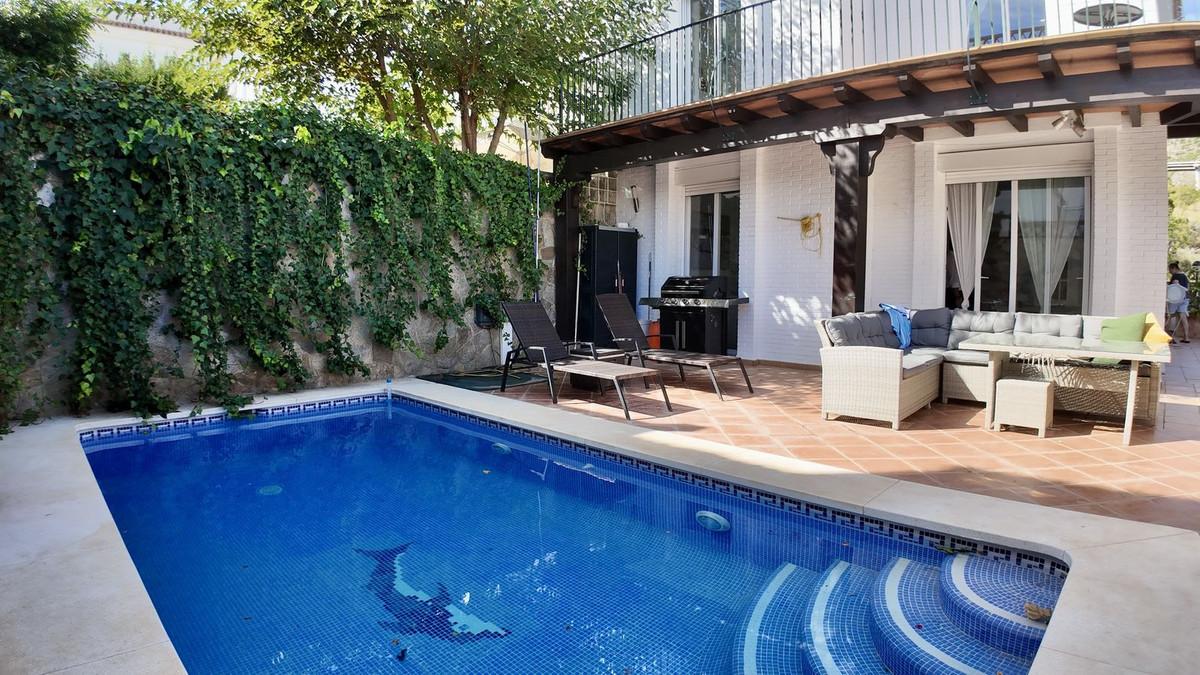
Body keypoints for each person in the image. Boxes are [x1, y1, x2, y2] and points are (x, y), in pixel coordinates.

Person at [1167, 262, 1190, 343]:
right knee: (1183, 317)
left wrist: (1176, 284)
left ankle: (1170, 337)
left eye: (1169, 269)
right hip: (1185, 299)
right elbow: (1187, 289)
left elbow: (1171, 288)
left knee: (1172, 316)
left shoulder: (1175, 276)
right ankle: (1186, 338)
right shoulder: (1185, 276)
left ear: (1174, 268)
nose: (1169, 271)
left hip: (1175, 299)